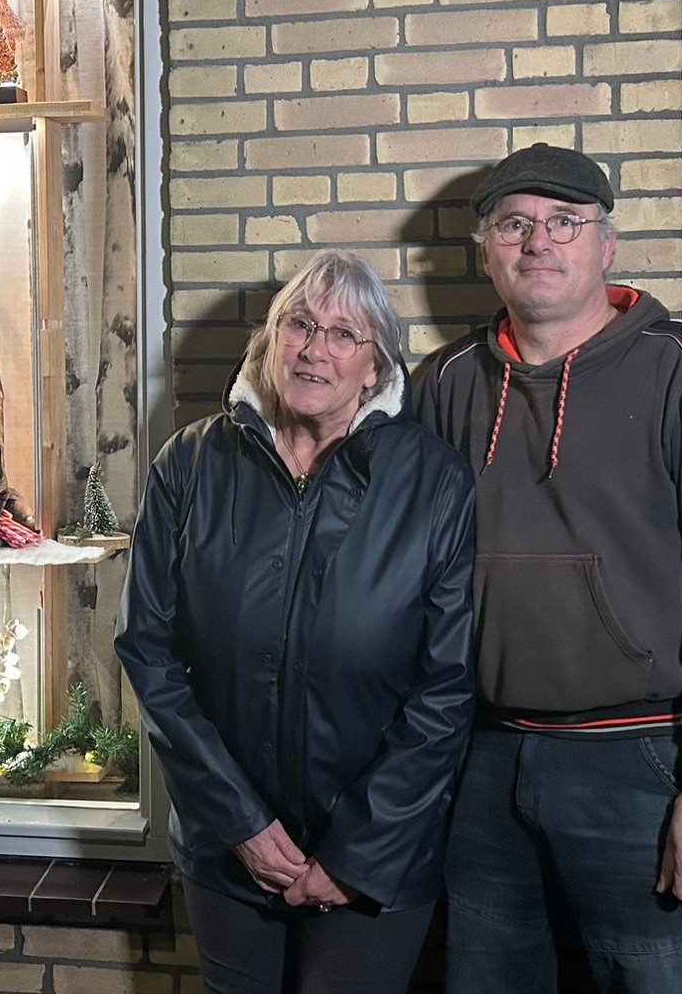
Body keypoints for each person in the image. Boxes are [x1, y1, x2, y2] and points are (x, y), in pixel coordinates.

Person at [414, 144, 682, 994]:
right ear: (485, 252)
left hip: (642, 766)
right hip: (479, 765)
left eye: (564, 223)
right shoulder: (443, 383)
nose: (538, 242)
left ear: (605, 246)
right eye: (514, 225)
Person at [119, 250, 478, 994]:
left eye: (344, 335)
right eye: (300, 325)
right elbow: (149, 652)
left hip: (378, 858)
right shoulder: (188, 464)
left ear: (376, 368)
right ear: (269, 340)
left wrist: (357, 854)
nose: (316, 350)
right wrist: (238, 821)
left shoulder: (435, 481)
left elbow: (448, 688)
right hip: (229, 849)